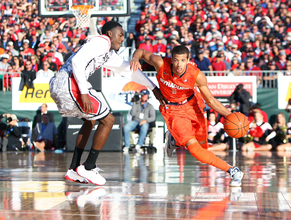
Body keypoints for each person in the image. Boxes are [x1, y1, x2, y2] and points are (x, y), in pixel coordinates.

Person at [49, 21, 165, 186]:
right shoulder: (102, 42)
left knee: (90, 121)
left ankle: (74, 169)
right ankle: (89, 167)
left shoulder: (107, 53)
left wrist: (152, 87)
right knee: (108, 120)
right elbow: (77, 62)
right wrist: (84, 92)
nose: (122, 39)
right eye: (120, 35)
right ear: (110, 34)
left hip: (59, 84)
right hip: (68, 82)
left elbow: (128, 71)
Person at [130, 45, 244, 187]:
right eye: (176, 60)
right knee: (195, 150)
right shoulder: (160, 63)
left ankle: (174, 138)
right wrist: (135, 58)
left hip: (192, 105)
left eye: (183, 60)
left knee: (202, 149)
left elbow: (211, 100)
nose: (179, 65)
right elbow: (141, 52)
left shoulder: (196, 75)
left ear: (188, 60)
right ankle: (233, 171)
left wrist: (229, 115)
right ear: (171, 59)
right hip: (173, 110)